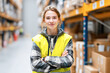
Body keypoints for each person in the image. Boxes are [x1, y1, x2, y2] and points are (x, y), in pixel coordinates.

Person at [30, 5, 74, 73]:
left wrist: (46, 59)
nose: (51, 21)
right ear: (44, 20)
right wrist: (61, 61)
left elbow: (69, 61)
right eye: (48, 18)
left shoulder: (67, 39)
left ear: (59, 19)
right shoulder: (37, 40)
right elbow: (35, 65)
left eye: (54, 18)